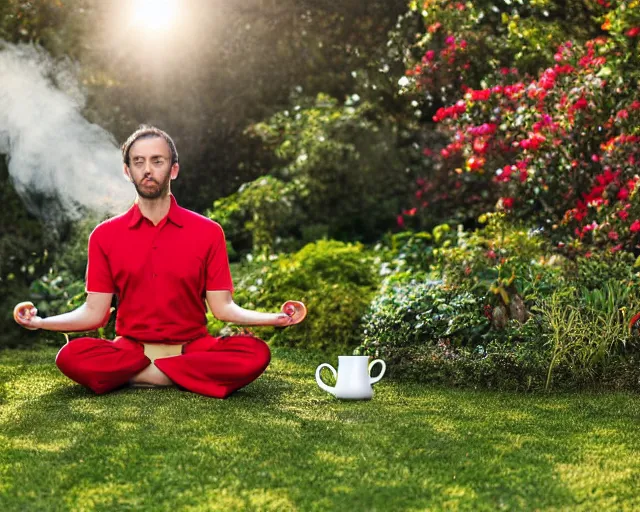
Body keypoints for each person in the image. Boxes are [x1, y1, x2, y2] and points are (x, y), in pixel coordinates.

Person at [13, 125, 307, 398]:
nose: (148, 170)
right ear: (127, 172)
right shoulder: (104, 236)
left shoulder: (208, 232)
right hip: (131, 350)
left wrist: (273, 318)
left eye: (157, 161)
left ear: (174, 169)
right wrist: (41, 322)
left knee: (255, 353)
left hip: (192, 348)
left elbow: (223, 308)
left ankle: (142, 377)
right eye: (138, 162)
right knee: (70, 356)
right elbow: (94, 313)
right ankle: (175, 377)